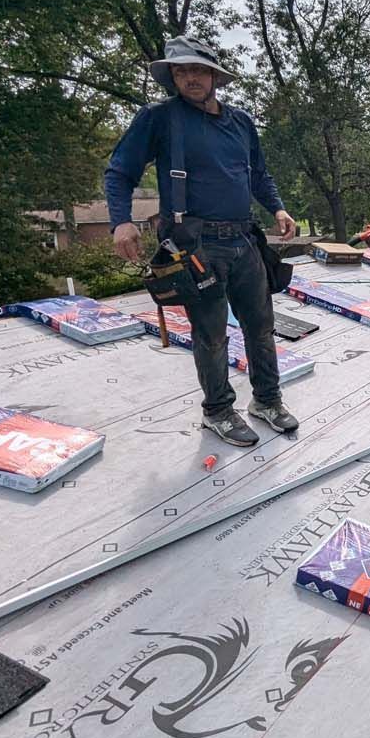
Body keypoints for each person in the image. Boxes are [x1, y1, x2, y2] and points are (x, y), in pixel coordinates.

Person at [105, 36, 299, 447]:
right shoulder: (160, 119)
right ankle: (218, 411)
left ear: (214, 76)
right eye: (181, 71)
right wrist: (120, 222)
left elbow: (259, 175)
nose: (190, 78)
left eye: (197, 69)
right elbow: (119, 172)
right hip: (194, 246)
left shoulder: (241, 122)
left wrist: (278, 208)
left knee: (261, 327)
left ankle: (267, 400)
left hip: (244, 238)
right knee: (211, 334)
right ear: (172, 77)